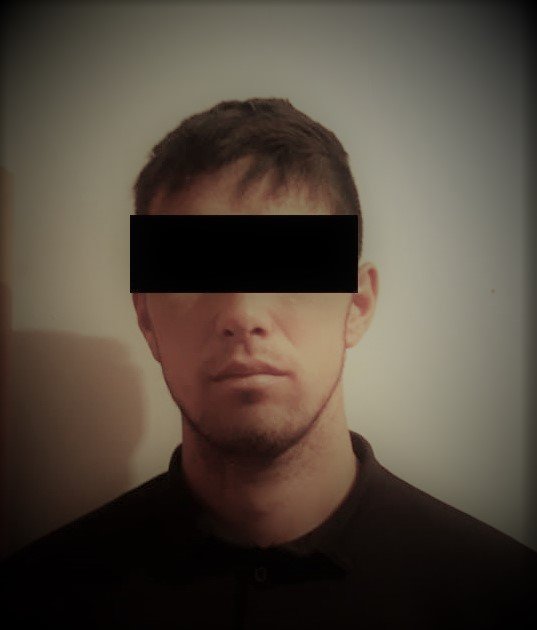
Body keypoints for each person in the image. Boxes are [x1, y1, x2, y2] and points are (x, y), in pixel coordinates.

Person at [1, 98, 535, 629]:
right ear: (146, 319)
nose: (243, 314)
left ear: (357, 305)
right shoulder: (35, 600)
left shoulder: (504, 597)